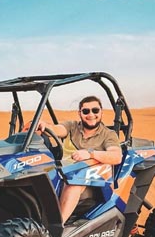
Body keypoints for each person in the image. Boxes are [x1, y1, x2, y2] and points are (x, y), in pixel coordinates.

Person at [37, 96, 122, 224]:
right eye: (86, 111)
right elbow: (56, 129)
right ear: (80, 113)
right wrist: (44, 125)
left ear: (101, 112)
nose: (91, 115)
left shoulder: (108, 134)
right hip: (62, 175)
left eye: (95, 110)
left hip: (91, 184)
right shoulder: (72, 127)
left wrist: (90, 154)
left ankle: (56, 230)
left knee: (74, 182)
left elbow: (116, 156)